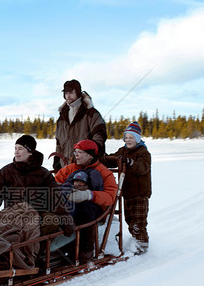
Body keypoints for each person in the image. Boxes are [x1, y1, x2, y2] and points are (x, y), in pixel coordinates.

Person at [0, 134, 74, 237]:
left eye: (20, 149)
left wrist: (66, 219)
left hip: (37, 213)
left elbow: (56, 198)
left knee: (51, 221)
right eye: (15, 148)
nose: (16, 152)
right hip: (12, 213)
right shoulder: (6, 172)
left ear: (30, 152)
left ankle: (35, 251)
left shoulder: (43, 174)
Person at [55, 139, 118, 262]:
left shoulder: (104, 172)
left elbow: (110, 197)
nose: (76, 155)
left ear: (90, 155)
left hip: (94, 209)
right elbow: (55, 182)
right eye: (75, 152)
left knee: (84, 210)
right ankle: (59, 246)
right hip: (70, 203)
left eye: (79, 152)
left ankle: (86, 251)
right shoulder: (69, 169)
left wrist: (89, 195)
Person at [106, 121, 151, 254]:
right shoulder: (123, 150)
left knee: (138, 221)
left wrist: (131, 162)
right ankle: (135, 240)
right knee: (129, 219)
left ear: (137, 138)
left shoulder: (143, 153)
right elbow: (113, 159)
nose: (128, 140)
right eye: (126, 137)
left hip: (140, 193)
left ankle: (142, 245)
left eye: (131, 138)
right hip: (127, 192)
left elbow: (143, 168)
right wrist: (102, 158)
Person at [52, 79, 107, 171]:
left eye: (71, 92)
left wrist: (90, 154)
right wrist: (57, 159)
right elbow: (59, 141)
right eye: (66, 93)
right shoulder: (62, 116)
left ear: (77, 92)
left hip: (87, 166)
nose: (68, 96)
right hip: (66, 166)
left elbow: (100, 134)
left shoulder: (90, 112)